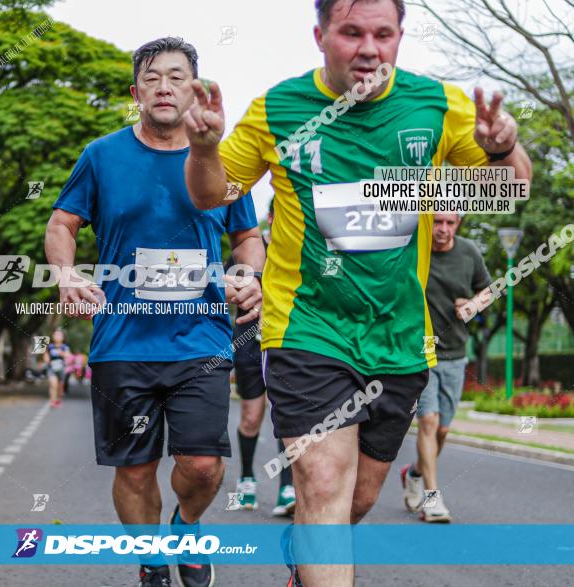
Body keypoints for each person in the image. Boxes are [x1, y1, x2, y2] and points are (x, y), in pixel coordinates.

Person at [181, 0, 532, 585]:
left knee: (356, 500)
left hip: (398, 340)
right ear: (320, 35)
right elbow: (209, 195)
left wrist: (499, 148)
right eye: (351, 32)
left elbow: (512, 187)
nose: (368, 47)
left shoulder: (438, 105)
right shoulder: (279, 108)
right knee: (321, 484)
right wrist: (203, 149)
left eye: (382, 33)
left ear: (399, 38)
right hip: (307, 328)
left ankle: (304, 569)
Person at [45, 37, 264, 587]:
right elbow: (61, 225)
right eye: (151, 77)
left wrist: (247, 275)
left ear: (196, 87)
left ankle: (185, 529)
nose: (164, 86)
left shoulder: (222, 157)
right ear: (135, 91)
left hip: (203, 340)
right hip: (124, 342)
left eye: (176, 75)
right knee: (135, 469)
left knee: (204, 464)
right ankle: (150, 559)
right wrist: (67, 272)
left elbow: (247, 237)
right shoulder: (102, 156)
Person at [401, 213, 490, 523]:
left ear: (458, 224)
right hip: (421, 350)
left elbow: (488, 290)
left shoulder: (469, 253)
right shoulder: (414, 248)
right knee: (428, 421)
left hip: (455, 352)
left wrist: (473, 306)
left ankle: (413, 473)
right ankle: (433, 498)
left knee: (442, 429)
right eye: (437, 222)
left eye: (450, 223)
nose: (443, 229)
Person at [230, 208, 296, 516]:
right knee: (251, 417)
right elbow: (234, 293)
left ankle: (287, 486)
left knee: (286, 418)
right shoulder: (249, 252)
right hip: (250, 341)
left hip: (286, 343)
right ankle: (246, 479)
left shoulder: (301, 250)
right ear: (271, 217)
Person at [43, 328, 70, 408]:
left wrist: (62, 353)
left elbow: (68, 356)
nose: (57, 336)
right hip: (51, 368)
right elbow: (45, 355)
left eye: (59, 335)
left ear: (63, 337)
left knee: (60, 386)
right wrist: (46, 359)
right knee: (53, 384)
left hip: (62, 368)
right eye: (56, 335)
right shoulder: (50, 346)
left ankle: (58, 398)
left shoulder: (64, 347)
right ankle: (52, 401)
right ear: (53, 336)